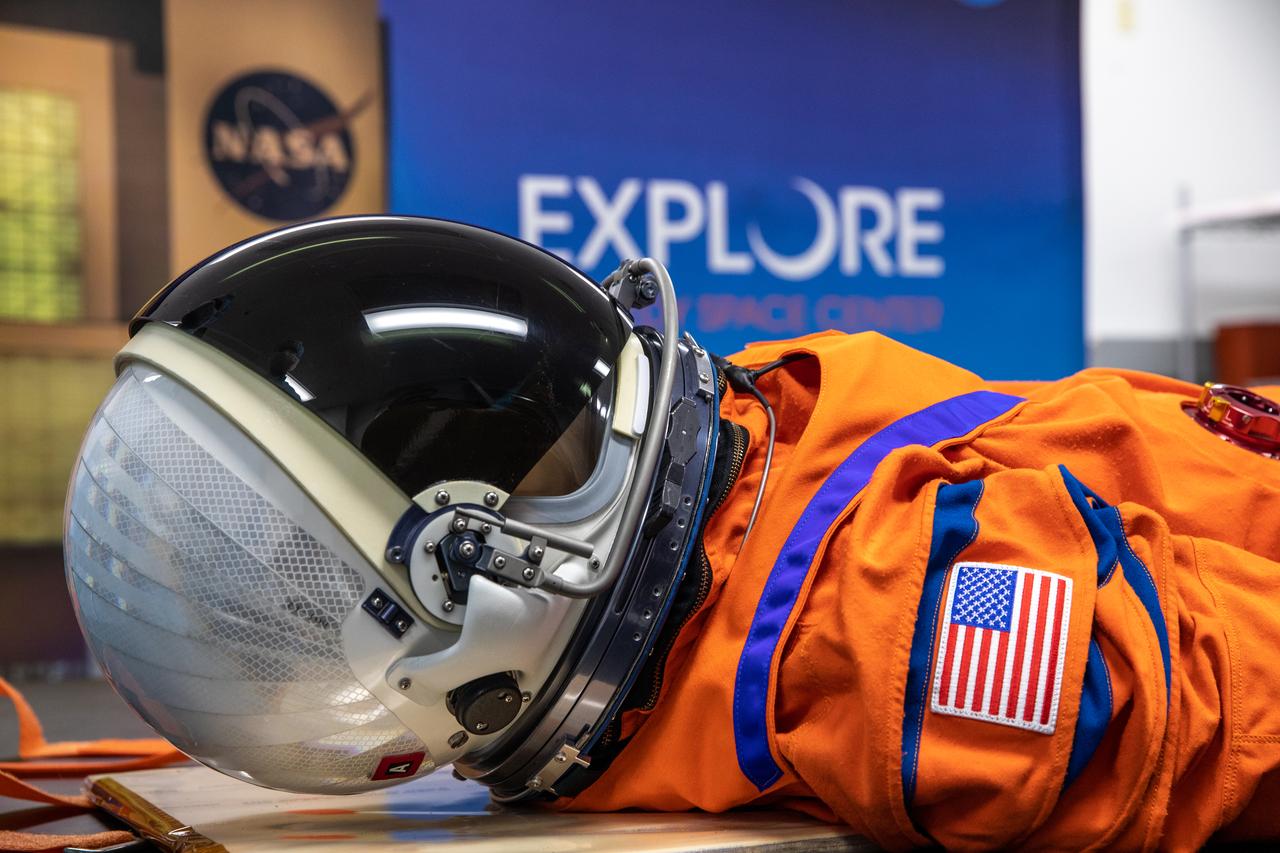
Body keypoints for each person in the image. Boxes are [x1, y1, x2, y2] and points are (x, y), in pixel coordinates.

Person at [63, 216, 1280, 851]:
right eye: (519, 455)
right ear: (473, 626)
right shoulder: (889, 643)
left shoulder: (751, 445)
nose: (555, 409)